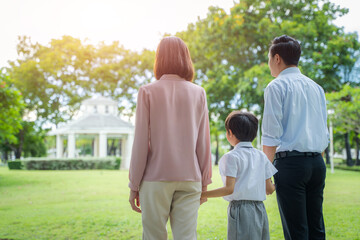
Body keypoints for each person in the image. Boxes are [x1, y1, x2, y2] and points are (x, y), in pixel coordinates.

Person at [128, 36, 212, 240]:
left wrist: (134, 185)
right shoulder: (198, 93)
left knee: (154, 236)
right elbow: (203, 142)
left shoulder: (146, 92)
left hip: (155, 178)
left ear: (159, 59)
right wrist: (204, 182)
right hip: (190, 177)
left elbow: (140, 142)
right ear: (186, 58)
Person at [262, 35, 329, 240]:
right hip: (317, 163)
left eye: (269, 58)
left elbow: (270, 135)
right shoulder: (317, 88)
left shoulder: (276, 86)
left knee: (296, 231)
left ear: (277, 58)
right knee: (316, 228)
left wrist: (265, 175)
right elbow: (322, 130)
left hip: (291, 165)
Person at [201, 111, 277, 240]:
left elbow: (228, 189)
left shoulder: (231, 157)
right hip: (260, 209)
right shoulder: (261, 156)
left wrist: (201, 194)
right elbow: (269, 189)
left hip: (241, 210)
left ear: (230, 133)